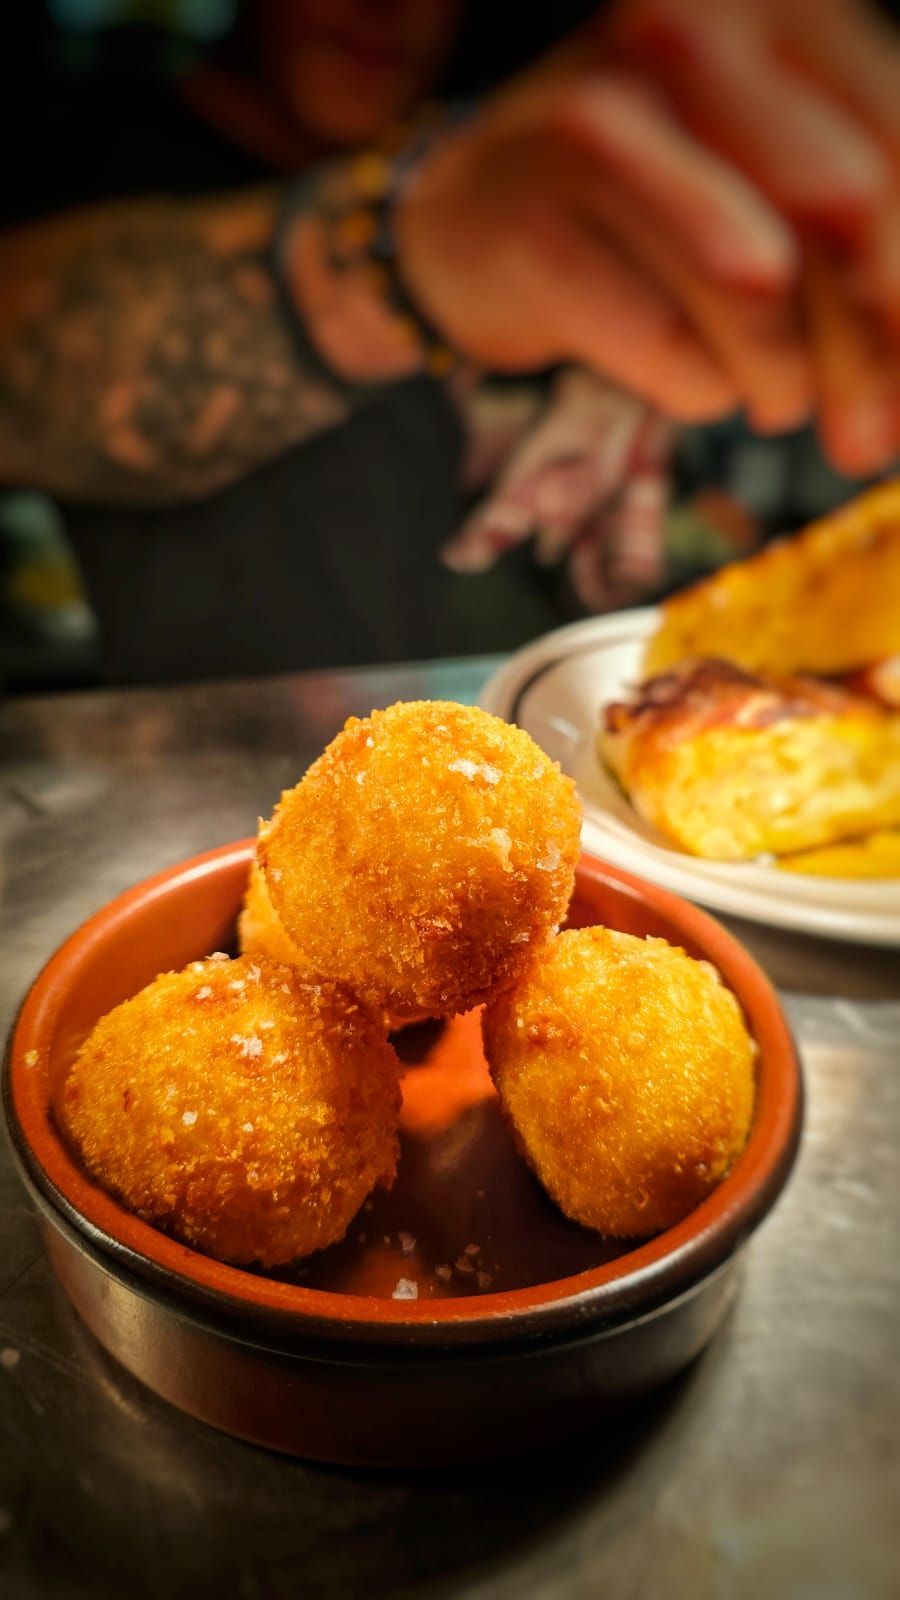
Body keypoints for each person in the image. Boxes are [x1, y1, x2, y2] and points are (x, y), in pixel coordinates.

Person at [0, 0, 897, 684]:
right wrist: (401, 250)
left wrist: (613, 354)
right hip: (207, 798)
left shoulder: (505, 142)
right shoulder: (95, 132)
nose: (386, 7)